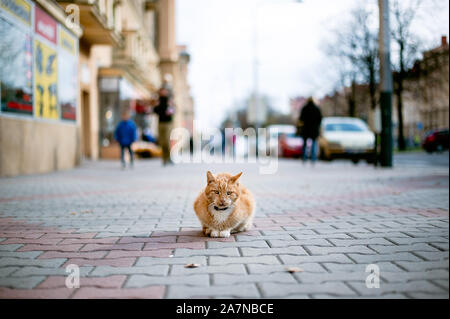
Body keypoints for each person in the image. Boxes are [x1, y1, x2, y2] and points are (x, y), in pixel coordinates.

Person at [154, 87, 175, 166]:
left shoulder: (169, 99)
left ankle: (169, 157)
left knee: (167, 140)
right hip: (160, 122)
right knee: (162, 141)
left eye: (164, 91)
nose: (163, 92)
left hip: (168, 123)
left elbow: (173, 110)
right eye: (162, 91)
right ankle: (164, 158)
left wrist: (171, 108)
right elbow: (155, 111)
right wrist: (156, 106)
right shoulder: (158, 100)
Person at [298, 97, 323, 163]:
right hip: (314, 129)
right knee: (314, 144)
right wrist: (317, 125)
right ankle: (313, 158)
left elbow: (301, 118)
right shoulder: (316, 108)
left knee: (305, 144)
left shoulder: (304, 108)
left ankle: (304, 157)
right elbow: (320, 119)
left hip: (306, 129)